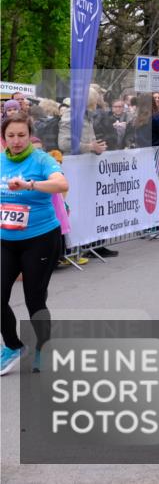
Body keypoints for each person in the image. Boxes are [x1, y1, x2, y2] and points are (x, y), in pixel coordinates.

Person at [1, 112, 69, 375]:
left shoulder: (41, 159)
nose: (16, 141)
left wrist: (30, 185)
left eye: (21, 135)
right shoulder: (0, 160)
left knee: (34, 298)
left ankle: (43, 346)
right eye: (11, 136)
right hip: (6, 240)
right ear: (4, 138)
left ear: (29, 136)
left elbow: (62, 184)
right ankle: (13, 346)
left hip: (40, 239)